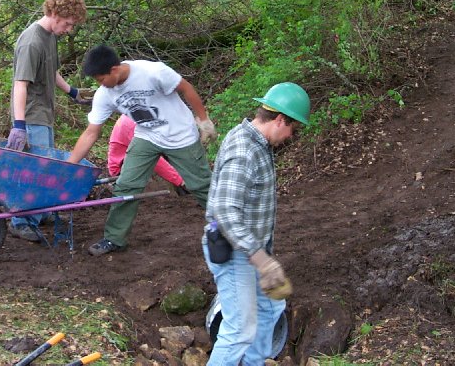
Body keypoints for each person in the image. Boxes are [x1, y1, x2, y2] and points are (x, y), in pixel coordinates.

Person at [66, 44, 217, 256]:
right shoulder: (105, 94)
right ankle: (114, 239)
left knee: (200, 185)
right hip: (146, 135)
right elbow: (92, 132)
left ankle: (232, 226)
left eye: (101, 79)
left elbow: (186, 88)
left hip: (180, 135)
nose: (100, 85)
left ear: (115, 70)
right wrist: (70, 165)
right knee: (126, 185)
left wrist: (204, 120)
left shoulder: (152, 72)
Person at [202, 82, 310, 365]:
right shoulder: (244, 149)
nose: (290, 136)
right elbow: (225, 210)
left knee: (271, 308)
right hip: (236, 251)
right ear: (279, 120)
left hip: (251, 251)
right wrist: (261, 258)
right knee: (239, 330)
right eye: (292, 129)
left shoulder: (258, 143)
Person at [6, 0, 91, 242]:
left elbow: (51, 71)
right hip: (31, 117)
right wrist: (19, 125)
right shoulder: (32, 41)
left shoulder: (50, 36)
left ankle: (38, 212)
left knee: (43, 169)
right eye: (67, 24)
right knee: (33, 170)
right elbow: (20, 84)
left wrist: (72, 92)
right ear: (54, 14)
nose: (68, 30)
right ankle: (20, 221)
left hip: (45, 113)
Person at [108, 114, 187, 195]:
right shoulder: (133, 125)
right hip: (123, 169)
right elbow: (154, 159)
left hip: (134, 160)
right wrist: (180, 181)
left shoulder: (137, 115)